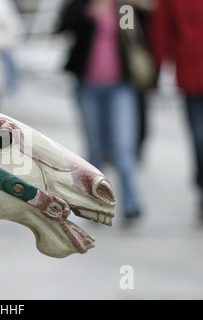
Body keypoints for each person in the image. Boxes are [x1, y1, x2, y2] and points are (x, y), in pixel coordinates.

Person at [57, 0, 142, 221]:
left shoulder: (124, 9)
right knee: (94, 148)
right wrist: (88, 13)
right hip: (88, 86)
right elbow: (61, 26)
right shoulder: (82, 4)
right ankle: (96, 204)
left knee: (122, 146)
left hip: (121, 87)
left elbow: (135, 39)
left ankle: (131, 201)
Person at [150, 0, 203, 221]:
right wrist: (154, 70)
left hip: (189, 69)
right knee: (199, 138)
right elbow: (161, 30)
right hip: (191, 74)